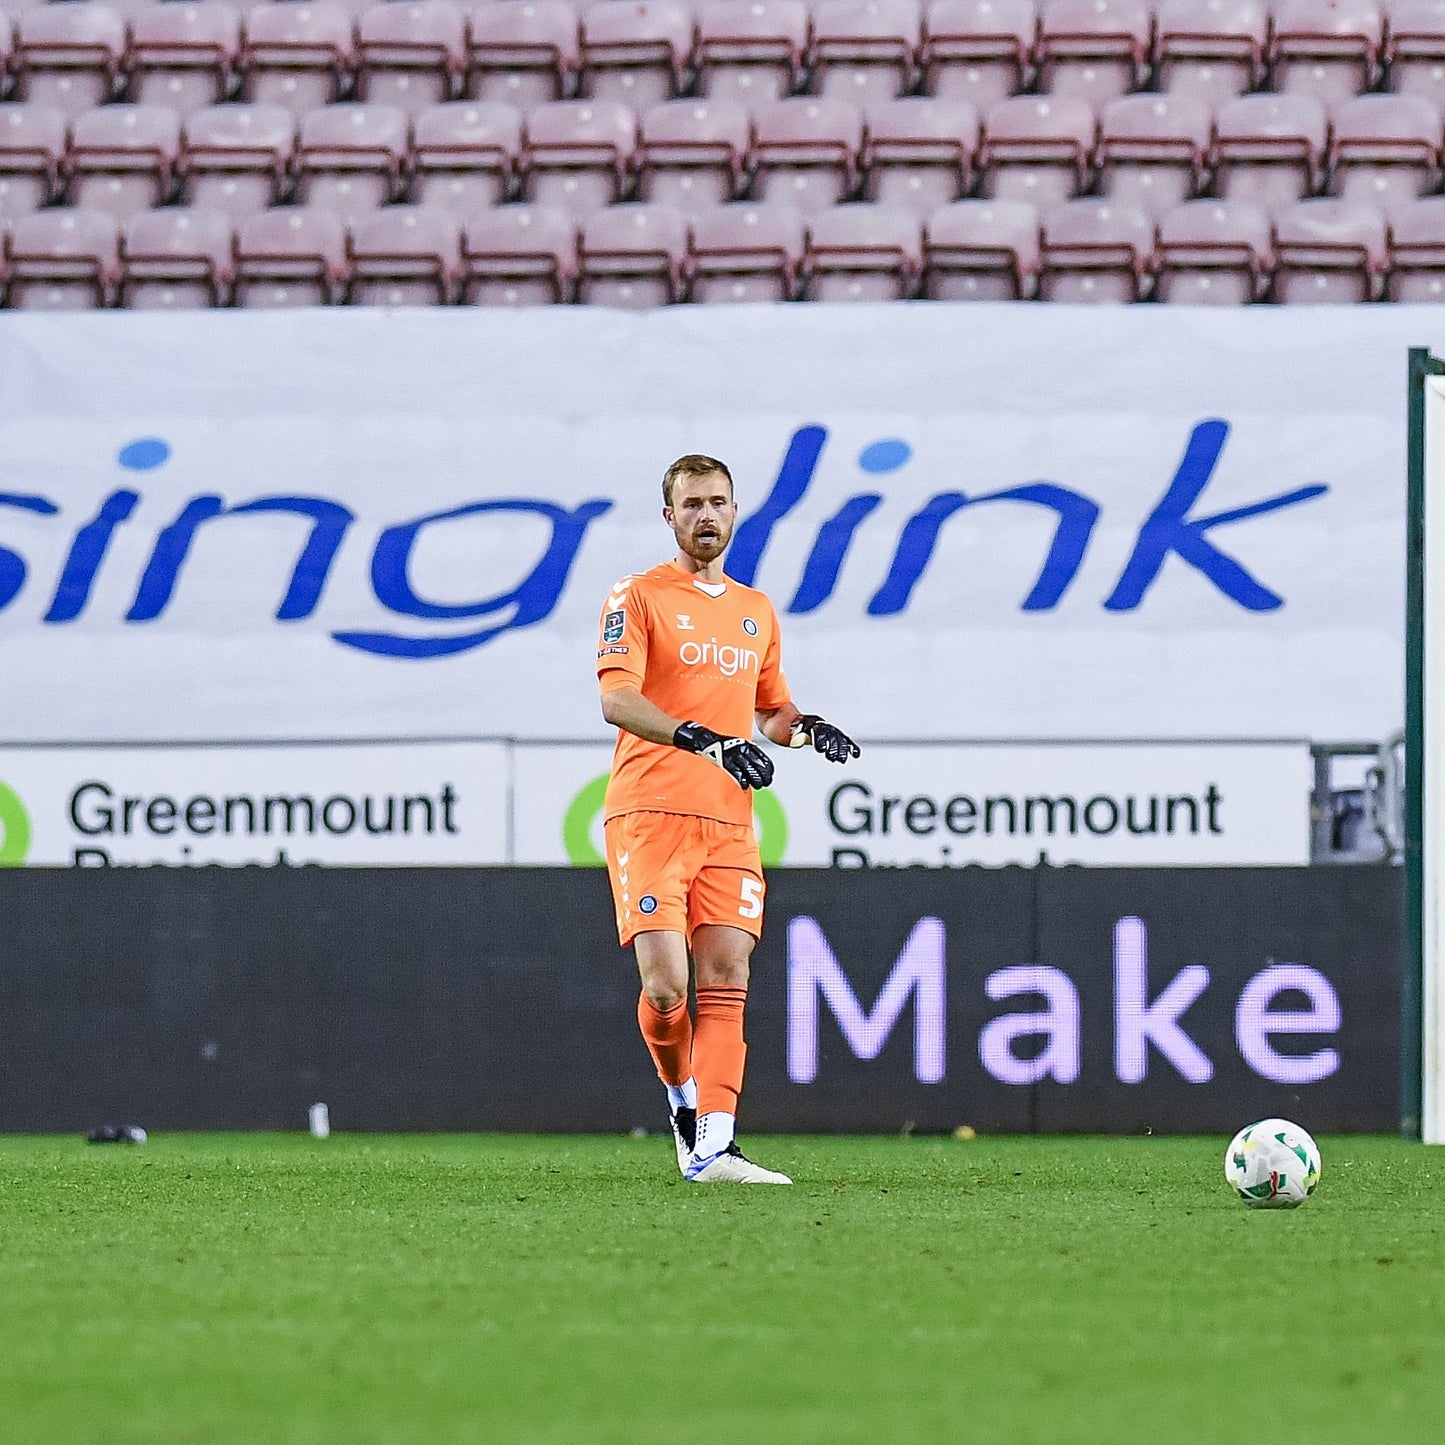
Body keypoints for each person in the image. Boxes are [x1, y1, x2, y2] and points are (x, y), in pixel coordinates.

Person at [596, 453, 859, 1184]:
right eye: (692, 504)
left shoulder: (755, 610)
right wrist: (704, 740)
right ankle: (682, 1099)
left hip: (727, 824)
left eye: (717, 502)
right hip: (650, 812)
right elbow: (616, 699)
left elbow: (771, 711)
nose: (706, 515)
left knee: (726, 972)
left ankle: (715, 1145)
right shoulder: (637, 595)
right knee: (665, 988)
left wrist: (806, 729)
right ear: (669, 516)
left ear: (735, 512)